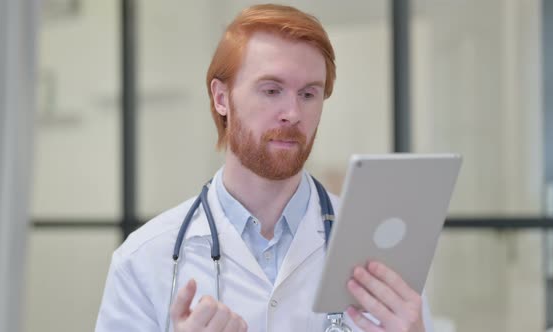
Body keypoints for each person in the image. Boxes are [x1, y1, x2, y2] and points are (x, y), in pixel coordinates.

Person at [95, 4, 434, 332]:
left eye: (308, 94)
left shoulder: (379, 252)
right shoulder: (143, 260)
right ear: (221, 98)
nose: (293, 113)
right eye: (271, 90)